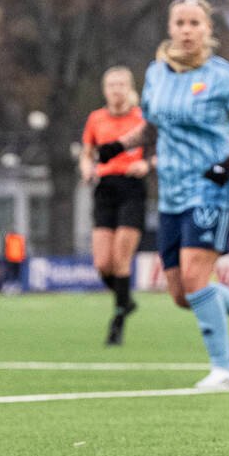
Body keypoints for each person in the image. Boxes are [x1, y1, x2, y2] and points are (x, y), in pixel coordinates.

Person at [108, 0, 229, 390]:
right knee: (182, 294)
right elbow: (152, 127)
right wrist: (117, 147)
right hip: (171, 193)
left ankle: (224, 370)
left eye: (194, 23)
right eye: (180, 23)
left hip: (212, 189)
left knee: (195, 277)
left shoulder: (224, 77)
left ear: (207, 29)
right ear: (170, 28)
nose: (187, 30)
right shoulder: (156, 74)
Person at [79, 65, 149, 345]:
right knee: (102, 263)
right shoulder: (96, 119)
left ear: (130, 88)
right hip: (105, 189)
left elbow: (160, 151)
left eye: (121, 84)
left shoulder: (142, 118)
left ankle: (118, 321)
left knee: (121, 258)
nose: (116, 90)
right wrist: (86, 169)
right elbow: (87, 154)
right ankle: (125, 300)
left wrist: (147, 164)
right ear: (104, 89)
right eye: (111, 85)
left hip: (132, 187)